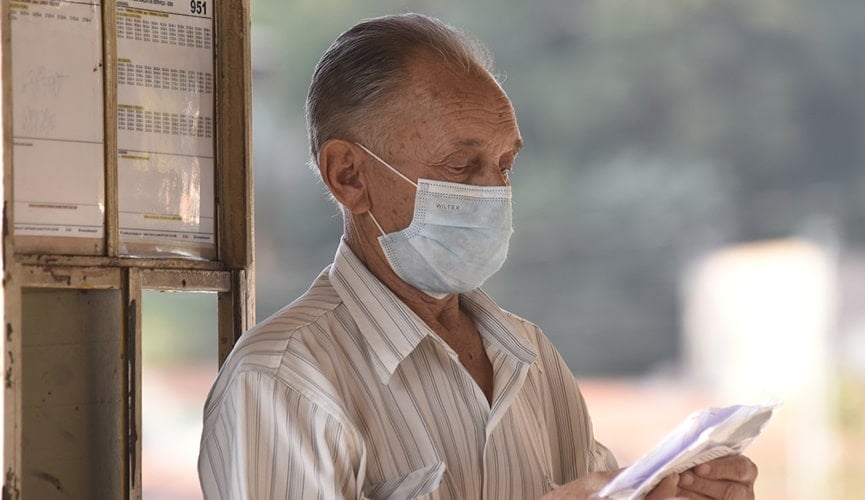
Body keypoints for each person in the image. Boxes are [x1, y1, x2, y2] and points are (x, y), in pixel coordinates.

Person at [198, 13, 758, 499]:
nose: (493, 193)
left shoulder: (531, 360)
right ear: (349, 176)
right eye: (461, 167)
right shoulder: (283, 381)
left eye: (505, 165)